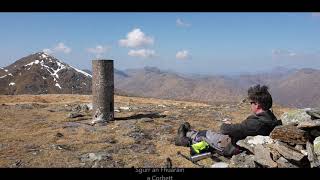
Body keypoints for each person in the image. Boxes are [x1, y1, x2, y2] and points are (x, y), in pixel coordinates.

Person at [175, 84, 282, 157]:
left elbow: (225, 129)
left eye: (251, 103)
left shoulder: (256, 123)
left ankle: (184, 140)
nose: (250, 105)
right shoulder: (270, 118)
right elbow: (243, 129)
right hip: (238, 142)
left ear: (257, 105)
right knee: (209, 134)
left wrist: (226, 125)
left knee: (205, 135)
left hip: (230, 147)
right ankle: (189, 132)